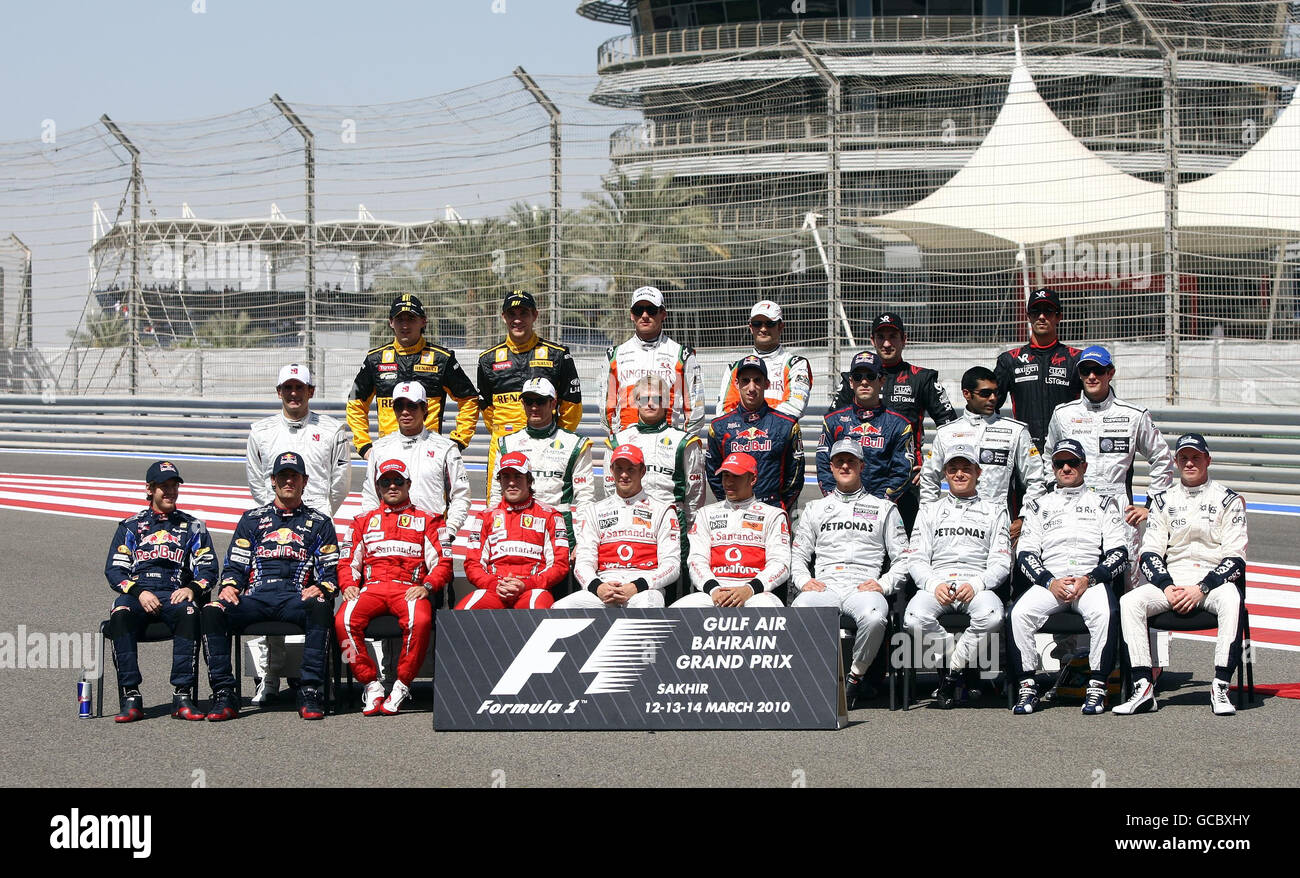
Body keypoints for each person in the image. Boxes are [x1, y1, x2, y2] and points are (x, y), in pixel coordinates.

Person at [1114, 434, 1248, 716]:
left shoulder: (1229, 500)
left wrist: (1201, 588)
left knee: (1232, 598)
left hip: (1211, 584)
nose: (1189, 463)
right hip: (1173, 582)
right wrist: (1166, 587)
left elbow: (1235, 560)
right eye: (1184, 458)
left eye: (1196, 457)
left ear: (1207, 460)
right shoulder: (1162, 501)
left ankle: (1221, 686)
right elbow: (1148, 554)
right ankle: (1143, 688)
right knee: (1130, 602)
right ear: (1175, 463)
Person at [202, 452, 341, 722]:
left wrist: (322, 587)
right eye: (283, 476)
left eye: (294, 476)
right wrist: (229, 586)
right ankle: (224, 693)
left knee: (322, 606)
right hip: (256, 598)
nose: (289, 481)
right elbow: (235, 565)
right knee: (212, 610)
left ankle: (310, 689)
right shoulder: (252, 520)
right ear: (273, 481)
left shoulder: (320, 523)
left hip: (295, 598)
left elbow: (331, 571)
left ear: (305, 481)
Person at [245, 362, 352, 706]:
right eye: (287, 388)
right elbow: (256, 480)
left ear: (311, 392)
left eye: (300, 387)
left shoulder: (333, 429)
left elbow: (341, 483)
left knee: (320, 598)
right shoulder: (260, 431)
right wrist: (276, 516)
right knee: (269, 593)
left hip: (317, 524)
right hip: (272, 523)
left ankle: (320, 676)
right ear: (279, 392)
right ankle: (270, 675)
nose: (294, 393)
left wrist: (318, 514)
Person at [1007, 439, 1129, 716]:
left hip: (1089, 581)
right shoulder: (1039, 505)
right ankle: (1028, 686)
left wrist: (1090, 578)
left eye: (1072, 462)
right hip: (1051, 582)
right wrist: (1049, 581)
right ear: (1052, 469)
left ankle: (1097, 685)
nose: (1066, 468)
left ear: (1084, 466)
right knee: (1018, 614)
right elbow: (1025, 554)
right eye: (1059, 463)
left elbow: (1119, 553)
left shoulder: (1104, 503)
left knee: (1106, 612)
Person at [792, 440, 910, 707]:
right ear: (831, 467)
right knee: (799, 607)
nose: (845, 466)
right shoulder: (815, 509)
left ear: (861, 466)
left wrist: (884, 584)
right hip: (826, 583)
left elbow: (904, 558)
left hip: (863, 585)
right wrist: (803, 581)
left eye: (851, 462)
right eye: (839, 462)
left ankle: (854, 678)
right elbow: (797, 555)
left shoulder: (884, 508)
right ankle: (818, 678)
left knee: (876, 617)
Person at [1045, 345, 1173, 586]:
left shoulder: (1133, 414)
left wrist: (1152, 505)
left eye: (1098, 370)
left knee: (1127, 581)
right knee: (1073, 574)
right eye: (1086, 370)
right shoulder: (1063, 414)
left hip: (1118, 507)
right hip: (1074, 506)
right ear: (1080, 374)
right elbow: (1048, 455)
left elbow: (1162, 458)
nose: (1092, 376)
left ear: (1110, 372)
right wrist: (1055, 493)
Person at [336, 460, 453, 716]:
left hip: (409, 588)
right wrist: (348, 585)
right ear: (377, 487)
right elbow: (346, 562)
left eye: (398, 481)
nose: (392, 486)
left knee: (420, 621)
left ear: (408, 484)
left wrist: (428, 585)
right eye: (386, 481)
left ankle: (402, 684)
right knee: (342, 621)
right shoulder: (362, 521)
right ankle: (370, 683)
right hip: (372, 588)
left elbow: (443, 563)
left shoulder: (429, 520)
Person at [104, 460, 217, 722]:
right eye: (163, 487)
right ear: (149, 489)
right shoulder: (130, 526)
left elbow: (209, 569)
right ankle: (130, 696)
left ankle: (182, 695)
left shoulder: (193, 526)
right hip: (137, 594)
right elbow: (115, 571)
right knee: (119, 614)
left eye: (174, 486)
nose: (170, 492)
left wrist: (191, 588)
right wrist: (139, 592)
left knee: (190, 612)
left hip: (174, 592)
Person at [903, 444, 1012, 709]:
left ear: (978, 472)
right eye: (953, 469)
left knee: (993, 616)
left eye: (966, 469)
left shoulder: (995, 510)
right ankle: (961, 668)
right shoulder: (929, 510)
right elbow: (916, 558)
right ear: (945, 474)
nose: (959, 474)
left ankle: (949, 676)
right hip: (937, 583)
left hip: (976, 583)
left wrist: (977, 584)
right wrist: (933, 583)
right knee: (913, 618)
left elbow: (1001, 561)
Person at [832, 313, 957, 531]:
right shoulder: (851, 380)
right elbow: (832, 429)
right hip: (858, 479)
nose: (887, 343)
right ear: (872, 340)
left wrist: (930, 465)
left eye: (893, 336)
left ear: (904, 339)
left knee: (904, 547)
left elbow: (951, 428)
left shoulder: (921, 378)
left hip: (904, 482)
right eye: (881, 337)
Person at [347, 292, 479, 459]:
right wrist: (364, 446)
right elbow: (355, 403)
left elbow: (470, 399)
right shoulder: (375, 359)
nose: (405, 325)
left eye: (411, 318)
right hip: (388, 452)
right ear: (391, 322)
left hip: (429, 453)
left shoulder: (441, 359)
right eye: (400, 319)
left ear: (423, 321)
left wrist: (457, 442)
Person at [921, 366, 1045, 540]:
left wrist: (1025, 518)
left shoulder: (1015, 431)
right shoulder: (946, 433)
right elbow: (928, 479)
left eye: (996, 392)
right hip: (953, 526)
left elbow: (1036, 478)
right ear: (966, 393)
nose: (993, 398)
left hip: (1000, 527)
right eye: (985, 393)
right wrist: (929, 517)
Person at [476, 289, 582, 486]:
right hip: (504, 446)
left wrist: (556, 438)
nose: (517, 320)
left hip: (547, 445)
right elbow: (487, 410)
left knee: (548, 503)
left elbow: (572, 405)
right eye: (512, 314)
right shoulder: (487, 359)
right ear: (503, 317)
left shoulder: (557, 355)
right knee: (500, 508)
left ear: (535, 315)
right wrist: (507, 434)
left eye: (523, 313)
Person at [553, 445, 679, 609]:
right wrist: (597, 586)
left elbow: (672, 565)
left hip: (643, 590)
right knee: (560, 609)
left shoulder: (663, 510)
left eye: (631, 469)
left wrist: (636, 586)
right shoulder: (595, 510)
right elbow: (584, 561)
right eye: (619, 469)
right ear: (611, 470)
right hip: (604, 587)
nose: (624, 475)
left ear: (642, 471)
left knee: (650, 605)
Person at [606, 373, 704, 573]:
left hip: (673, 525)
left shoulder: (684, 441)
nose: (650, 404)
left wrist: (691, 529)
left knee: (675, 592)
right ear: (635, 401)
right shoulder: (618, 441)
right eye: (644, 398)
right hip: (629, 524)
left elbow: (695, 493)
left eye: (657, 399)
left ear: (667, 402)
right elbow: (610, 489)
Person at [671, 453, 789, 609]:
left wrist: (749, 589)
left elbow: (781, 564)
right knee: (675, 614)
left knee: (773, 613)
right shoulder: (706, 514)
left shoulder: (773, 515)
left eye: (736, 476)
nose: (729, 482)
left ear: (753, 479)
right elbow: (696, 560)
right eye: (725, 475)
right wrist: (714, 589)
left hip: (756, 594)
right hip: (714, 592)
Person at [488, 377, 594, 545]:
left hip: (559, 528)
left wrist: (584, 542)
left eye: (541, 401)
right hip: (515, 525)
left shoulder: (575, 443)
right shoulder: (507, 443)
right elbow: (496, 494)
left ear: (553, 404)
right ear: (523, 404)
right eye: (529, 401)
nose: (534, 407)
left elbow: (585, 498)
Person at [458, 452, 569, 609]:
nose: (511, 483)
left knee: (534, 614)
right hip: (495, 588)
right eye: (506, 477)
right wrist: (493, 584)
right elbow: (472, 563)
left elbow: (560, 564)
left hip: (533, 589)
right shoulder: (485, 517)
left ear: (529, 481)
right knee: (462, 617)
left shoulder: (550, 515)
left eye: (518, 476)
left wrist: (527, 584)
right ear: (499, 481)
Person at [362, 381, 471, 534]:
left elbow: (461, 495)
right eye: (400, 406)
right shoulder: (380, 449)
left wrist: (450, 529)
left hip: (431, 537)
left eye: (412, 405)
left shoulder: (445, 449)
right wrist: (372, 529)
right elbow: (370, 496)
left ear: (425, 408)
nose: (405, 412)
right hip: (388, 537)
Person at [599, 285, 705, 436]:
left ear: (663, 314)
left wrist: (679, 444)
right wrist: (619, 440)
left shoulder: (682, 355)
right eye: (638, 310)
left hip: (666, 444)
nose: (644, 315)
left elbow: (696, 409)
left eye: (651, 309)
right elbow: (606, 408)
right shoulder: (615, 355)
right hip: (626, 445)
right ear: (631, 315)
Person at [704, 355, 804, 515]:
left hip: (773, 511)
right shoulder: (719, 427)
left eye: (757, 380)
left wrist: (778, 507)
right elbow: (713, 473)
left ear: (767, 384)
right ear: (737, 384)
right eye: (745, 381)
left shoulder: (787, 425)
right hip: (733, 511)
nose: (751, 388)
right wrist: (730, 502)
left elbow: (795, 478)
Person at [994, 287, 1082, 452]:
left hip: (1065, 452)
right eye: (1036, 311)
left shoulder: (1076, 359)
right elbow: (989, 407)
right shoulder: (1010, 360)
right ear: (1028, 317)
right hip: (1025, 450)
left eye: (1048, 311)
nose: (1041, 317)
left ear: (1059, 317)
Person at [817, 350, 912, 502]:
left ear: (882, 380)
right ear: (850, 382)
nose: (864, 382)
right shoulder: (832, 421)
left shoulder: (899, 425)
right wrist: (835, 499)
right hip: (841, 503)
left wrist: (877, 503)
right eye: (857, 377)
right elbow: (824, 466)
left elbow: (902, 471)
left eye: (871, 376)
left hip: (882, 506)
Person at [715, 299, 813, 419]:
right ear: (751, 327)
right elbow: (724, 411)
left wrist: (756, 421)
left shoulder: (796, 364)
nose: (763, 329)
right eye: (757, 324)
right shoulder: (734, 368)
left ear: (780, 326)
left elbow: (795, 407)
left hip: (780, 435)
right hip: (741, 435)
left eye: (769, 323)